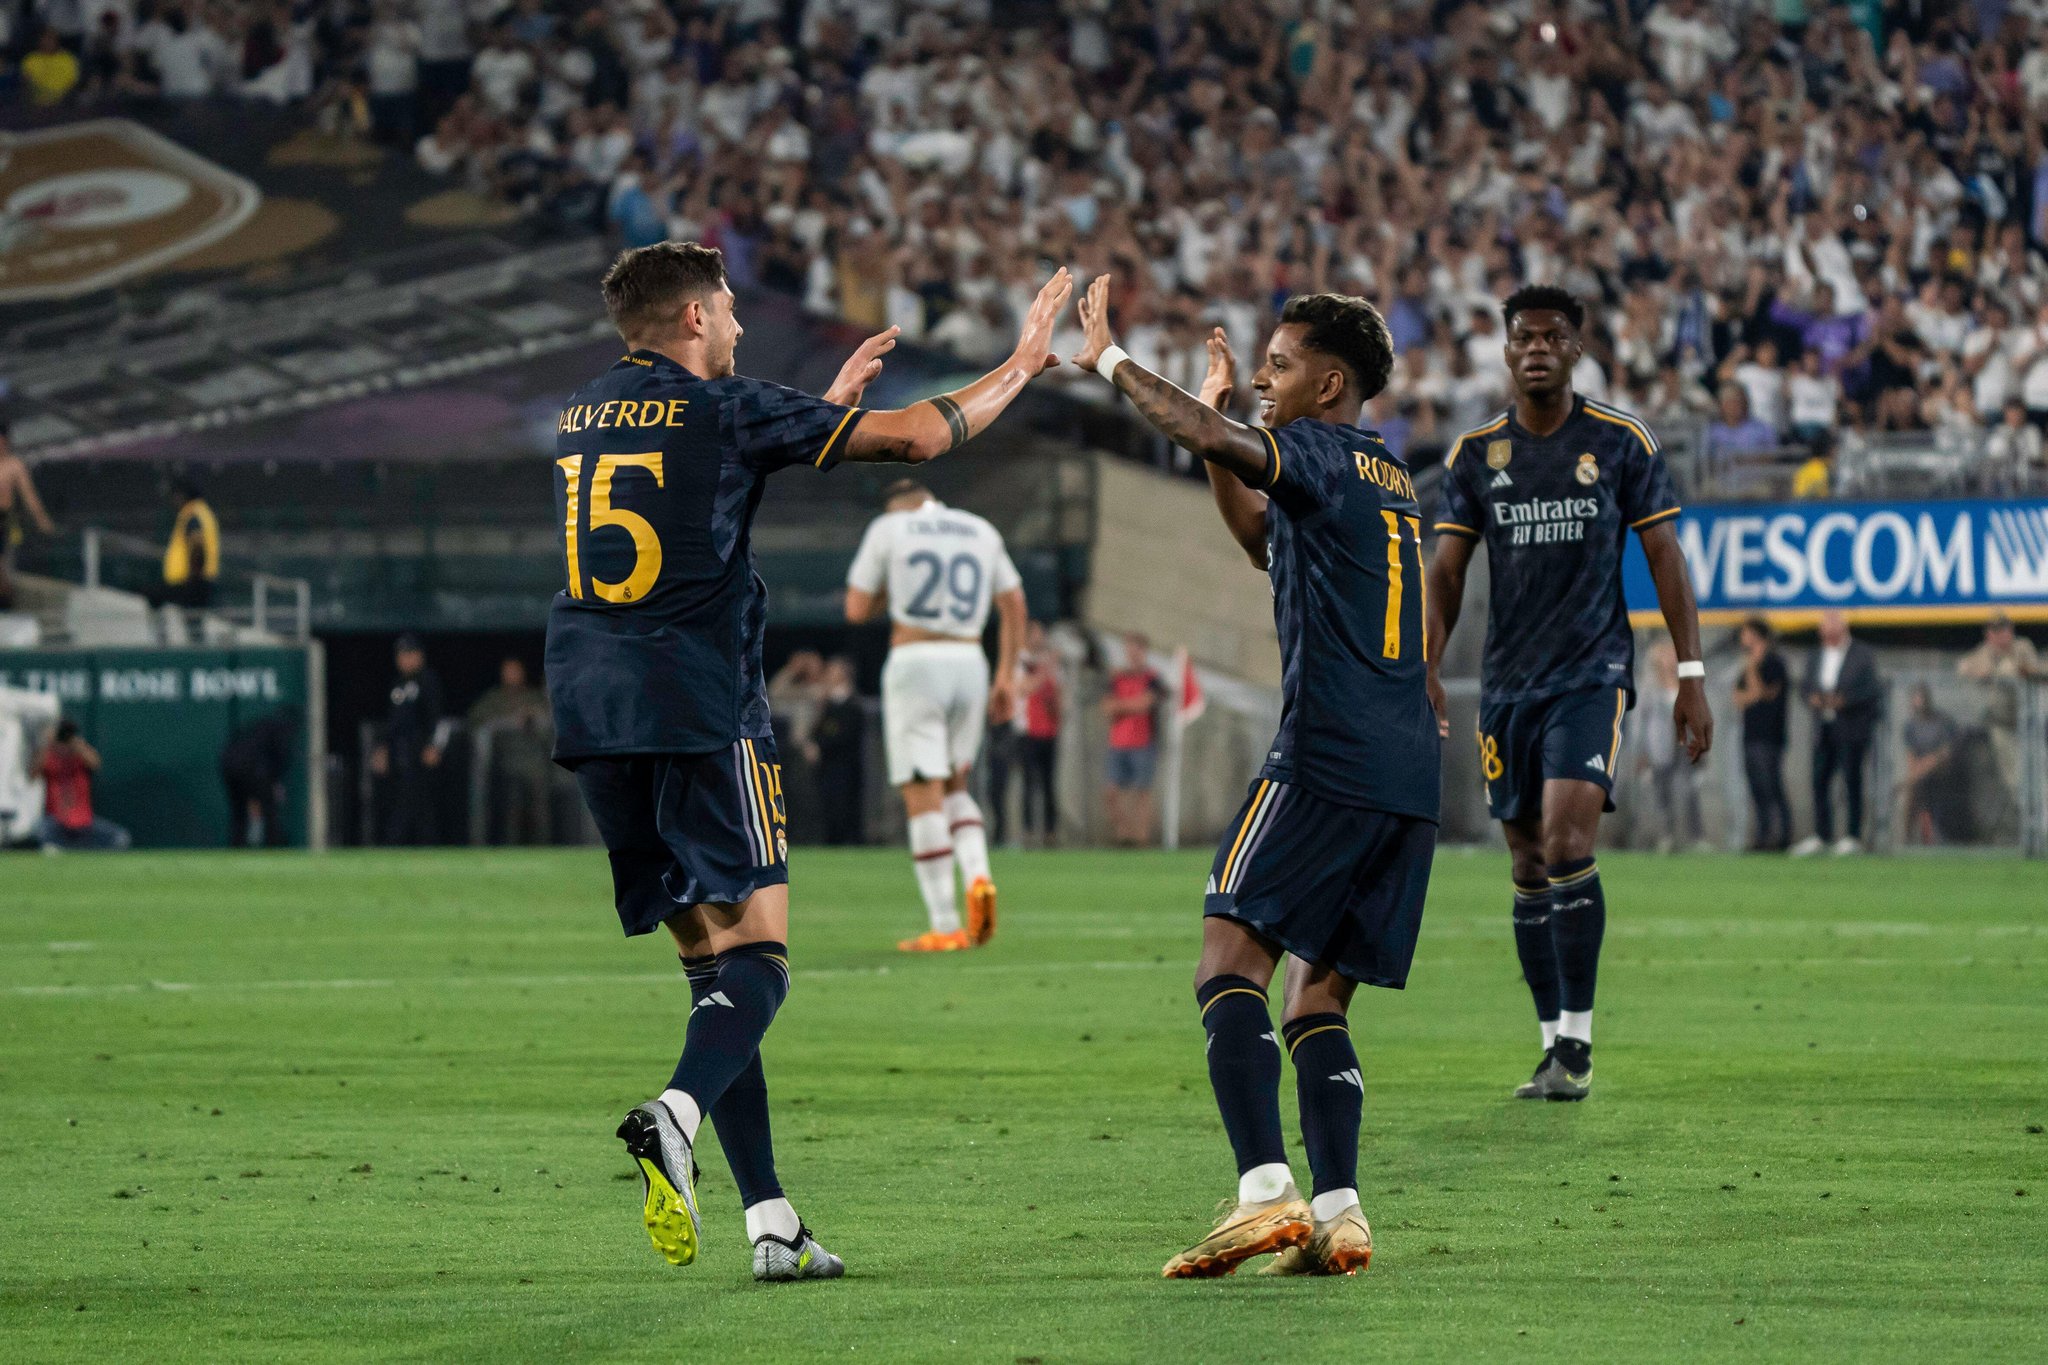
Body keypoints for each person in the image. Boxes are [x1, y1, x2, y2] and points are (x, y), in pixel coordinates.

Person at [543, 240, 1069, 1282]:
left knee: (710, 974)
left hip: (591, 708)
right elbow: (919, 438)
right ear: (693, 317)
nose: (737, 325)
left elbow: (696, 492)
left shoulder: (583, 411)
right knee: (762, 957)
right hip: (699, 707)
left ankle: (772, 1222)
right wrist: (1025, 361)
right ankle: (675, 1114)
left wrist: (816, 414)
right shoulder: (729, 407)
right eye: (729, 308)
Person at [1072, 279, 1439, 1278]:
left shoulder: (1313, 449)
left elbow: (1221, 440)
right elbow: (1253, 538)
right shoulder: (1386, 477)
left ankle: (1261, 1193)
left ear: (1327, 383)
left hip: (1326, 751)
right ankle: (1339, 1211)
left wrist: (1111, 360)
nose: (1265, 382)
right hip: (1407, 772)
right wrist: (1221, 419)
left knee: (1226, 958)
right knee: (1314, 999)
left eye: (1278, 368)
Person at [1427, 284, 1711, 1103]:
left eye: (1553, 336)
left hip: (1592, 675)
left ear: (1576, 349)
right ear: (1508, 350)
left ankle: (1580, 1042)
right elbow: (1446, 571)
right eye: (1524, 336)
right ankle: (1552, 1042)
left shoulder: (1621, 442)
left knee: (1565, 841)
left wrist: (1691, 675)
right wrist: (1427, 665)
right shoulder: (1476, 455)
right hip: (1508, 684)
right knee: (1523, 859)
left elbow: (1666, 559)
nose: (1538, 348)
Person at [844, 479, 1026, 952]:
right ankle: (980, 876)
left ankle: (945, 924)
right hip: (970, 661)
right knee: (956, 784)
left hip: (916, 661)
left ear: (897, 505)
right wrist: (1006, 675)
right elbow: (1014, 604)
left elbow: (856, 608)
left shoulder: (890, 527)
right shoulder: (979, 529)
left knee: (921, 792)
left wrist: (889, 586)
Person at [1791, 609, 1882, 857]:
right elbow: (1804, 686)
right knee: (1819, 781)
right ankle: (1822, 834)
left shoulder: (1862, 655)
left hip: (1851, 727)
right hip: (1823, 726)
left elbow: (1871, 690)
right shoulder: (1815, 655)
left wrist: (1845, 700)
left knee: (1852, 781)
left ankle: (1853, 835)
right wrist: (1814, 698)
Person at [1954, 611, 2045, 807]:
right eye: (1996, 630)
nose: (2002, 635)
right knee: (2016, 781)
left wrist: (2024, 671)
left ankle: (2040, 826)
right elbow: (1962, 667)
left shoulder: (2022, 646)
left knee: (2039, 776)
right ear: (1989, 634)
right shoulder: (1986, 652)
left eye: (2005, 629)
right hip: (2002, 725)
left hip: (2030, 723)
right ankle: (2029, 823)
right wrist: (1981, 672)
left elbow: (2036, 669)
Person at [466, 657, 554, 845]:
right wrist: (508, 721)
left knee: (539, 812)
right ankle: (510, 848)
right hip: (506, 764)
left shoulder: (533, 698)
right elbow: (475, 719)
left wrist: (532, 718)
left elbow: (549, 723)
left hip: (534, 764)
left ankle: (543, 849)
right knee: (510, 813)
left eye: (515, 670)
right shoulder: (494, 698)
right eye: (508, 671)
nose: (512, 675)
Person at [371, 635, 446, 846]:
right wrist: (383, 749)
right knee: (401, 801)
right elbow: (392, 722)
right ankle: (403, 844)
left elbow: (439, 720)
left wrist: (435, 746)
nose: (403, 659)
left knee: (419, 804)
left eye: (408, 654)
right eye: (400, 655)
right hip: (399, 753)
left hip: (420, 753)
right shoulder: (398, 685)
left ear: (419, 656)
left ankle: (404, 844)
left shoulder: (428, 681)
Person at [1634, 642, 1704, 852]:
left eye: (1673, 655)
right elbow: (1640, 722)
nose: (1670, 660)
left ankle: (1696, 837)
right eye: (1665, 655)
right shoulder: (1649, 687)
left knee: (1690, 791)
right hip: (1660, 746)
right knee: (1661, 792)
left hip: (1685, 743)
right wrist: (1641, 752)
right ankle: (1666, 835)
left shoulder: (1689, 683)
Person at [1731, 615, 1791, 852]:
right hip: (1751, 734)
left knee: (1772, 785)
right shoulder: (1745, 667)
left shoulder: (1774, 664)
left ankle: (1782, 835)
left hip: (1771, 736)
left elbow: (1759, 693)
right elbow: (1738, 698)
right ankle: (1764, 834)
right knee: (1756, 787)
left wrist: (1752, 668)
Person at [1100, 632, 1166, 847]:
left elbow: (1146, 704)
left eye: (1136, 650)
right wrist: (1132, 705)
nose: (1132, 655)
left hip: (1143, 742)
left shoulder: (1153, 679)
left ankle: (1141, 837)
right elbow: (1107, 707)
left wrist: (1122, 705)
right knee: (1112, 792)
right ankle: (1124, 832)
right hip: (1118, 741)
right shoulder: (1117, 677)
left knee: (1142, 792)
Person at [35, 721, 132, 852]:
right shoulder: (50, 757)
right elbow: (33, 773)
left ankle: (91, 857)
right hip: (56, 819)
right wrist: (47, 744)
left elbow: (95, 763)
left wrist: (76, 743)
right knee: (41, 832)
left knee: (121, 838)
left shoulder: (79, 756)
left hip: (84, 820)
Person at [220, 710, 299, 848]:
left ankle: (238, 846)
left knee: (240, 812)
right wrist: (275, 782)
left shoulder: (258, 727)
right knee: (269, 809)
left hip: (230, 766)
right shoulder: (279, 730)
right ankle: (272, 847)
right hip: (251, 769)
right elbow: (280, 755)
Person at [0, 423, 56, 613]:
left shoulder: (14, 465)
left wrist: (43, 521)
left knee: (3, 567)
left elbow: (29, 496)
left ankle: (7, 603)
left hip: (4, 520)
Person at [810, 657, 865, 847]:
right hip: (827, 766)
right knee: (828, 805)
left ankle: (850, 841)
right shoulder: (826, 702)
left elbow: (845, 735)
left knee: (845, 805)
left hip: (845, 765)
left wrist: (822, 745)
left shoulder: (852, 704)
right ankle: (831, 840)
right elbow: (816, 731)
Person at [1898, 684, 1960, 846]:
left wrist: (1919, 771)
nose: (1920, 704)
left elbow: (1945, 754)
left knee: (1915, 781)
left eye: (1922, 699)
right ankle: (1907, 839)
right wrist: (1913, 775)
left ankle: (1932, 838)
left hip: (1942, 771)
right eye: (1916, 700)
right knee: (1912, 791)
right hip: (1919, 776)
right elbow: (1910, 756)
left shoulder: (1943, 722)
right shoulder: (1910, 726)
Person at [1019, 622, 1062, 847]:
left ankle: (1050, 832)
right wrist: (1043, 673)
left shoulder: (1050, 665)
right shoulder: (1021, 661)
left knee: (1049, 784)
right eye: (1035, 634)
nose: (1040, 638)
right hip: (1027, 731)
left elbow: (1058, 699)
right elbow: (1022, 689)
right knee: (1028, 783)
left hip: (1049, 731)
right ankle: (1027, 831)